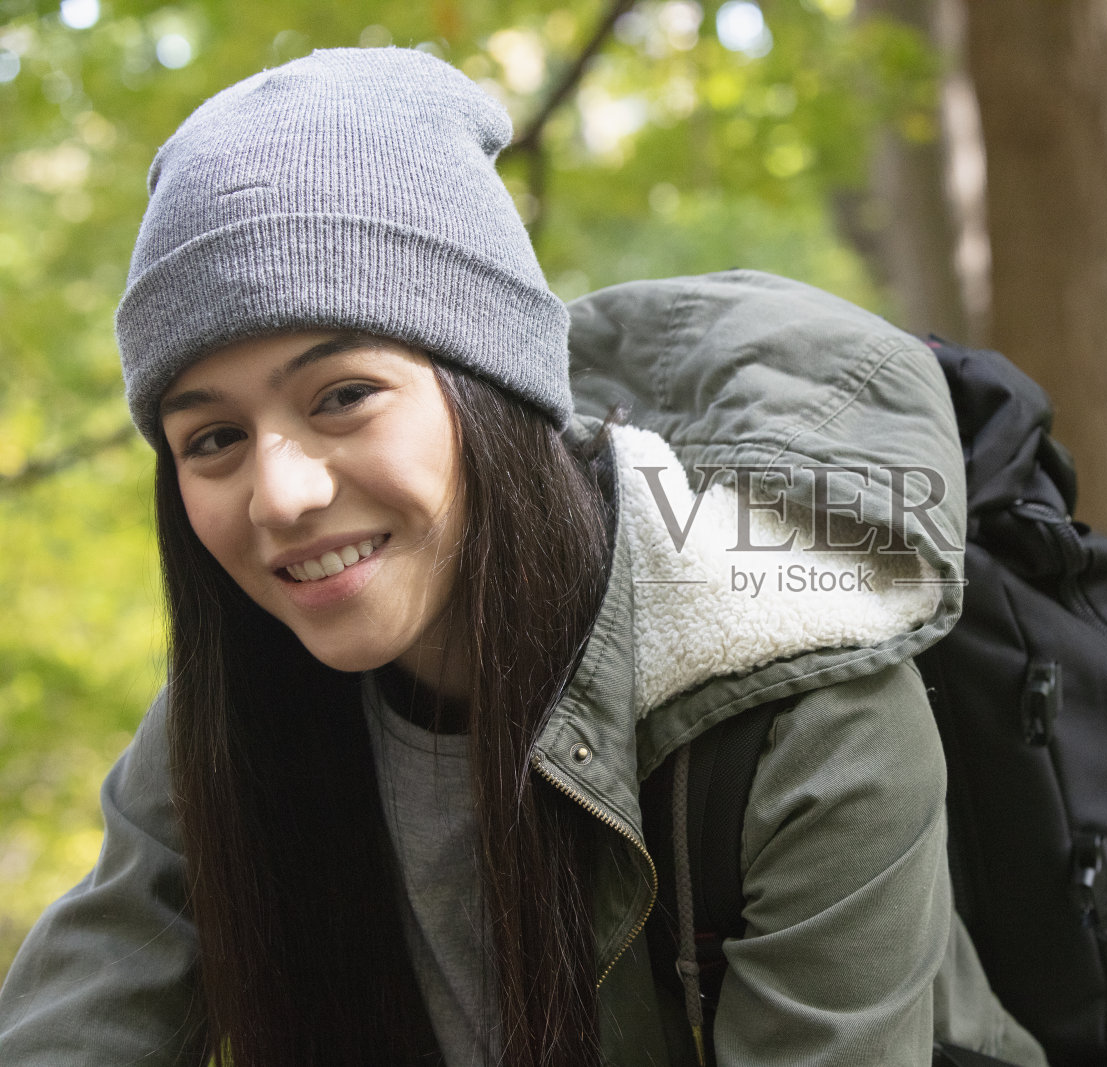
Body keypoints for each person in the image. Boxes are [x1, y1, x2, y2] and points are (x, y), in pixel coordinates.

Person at [0, 48, 1046, 1067]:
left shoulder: (794, 706)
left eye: (343, 396)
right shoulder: (233, 713)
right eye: (212, 437)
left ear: (491, 393)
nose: (281, 494)